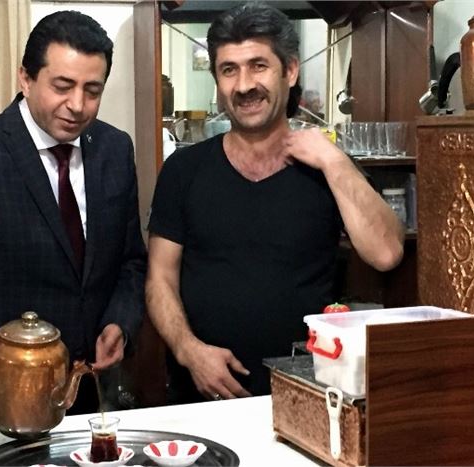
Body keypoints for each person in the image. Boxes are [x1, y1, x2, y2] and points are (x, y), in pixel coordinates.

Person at [145, 2, 404, 404]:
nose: (244, 85)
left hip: (309, 389)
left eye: (259, 66)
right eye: (229, 70)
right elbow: (159, 278)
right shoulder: (184, 170)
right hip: (202, 395)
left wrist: (335, 161)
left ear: (291, 70)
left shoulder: (327, 167)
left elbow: (386, 253)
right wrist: (188, 351)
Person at [0, 10, 147, 427]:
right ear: (25, 78)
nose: (77, 105)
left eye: (92, 90)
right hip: (6, 399)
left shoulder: (114, 150)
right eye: (62, 86)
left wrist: (121, 322)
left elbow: (130, 261)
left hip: (94, 396)